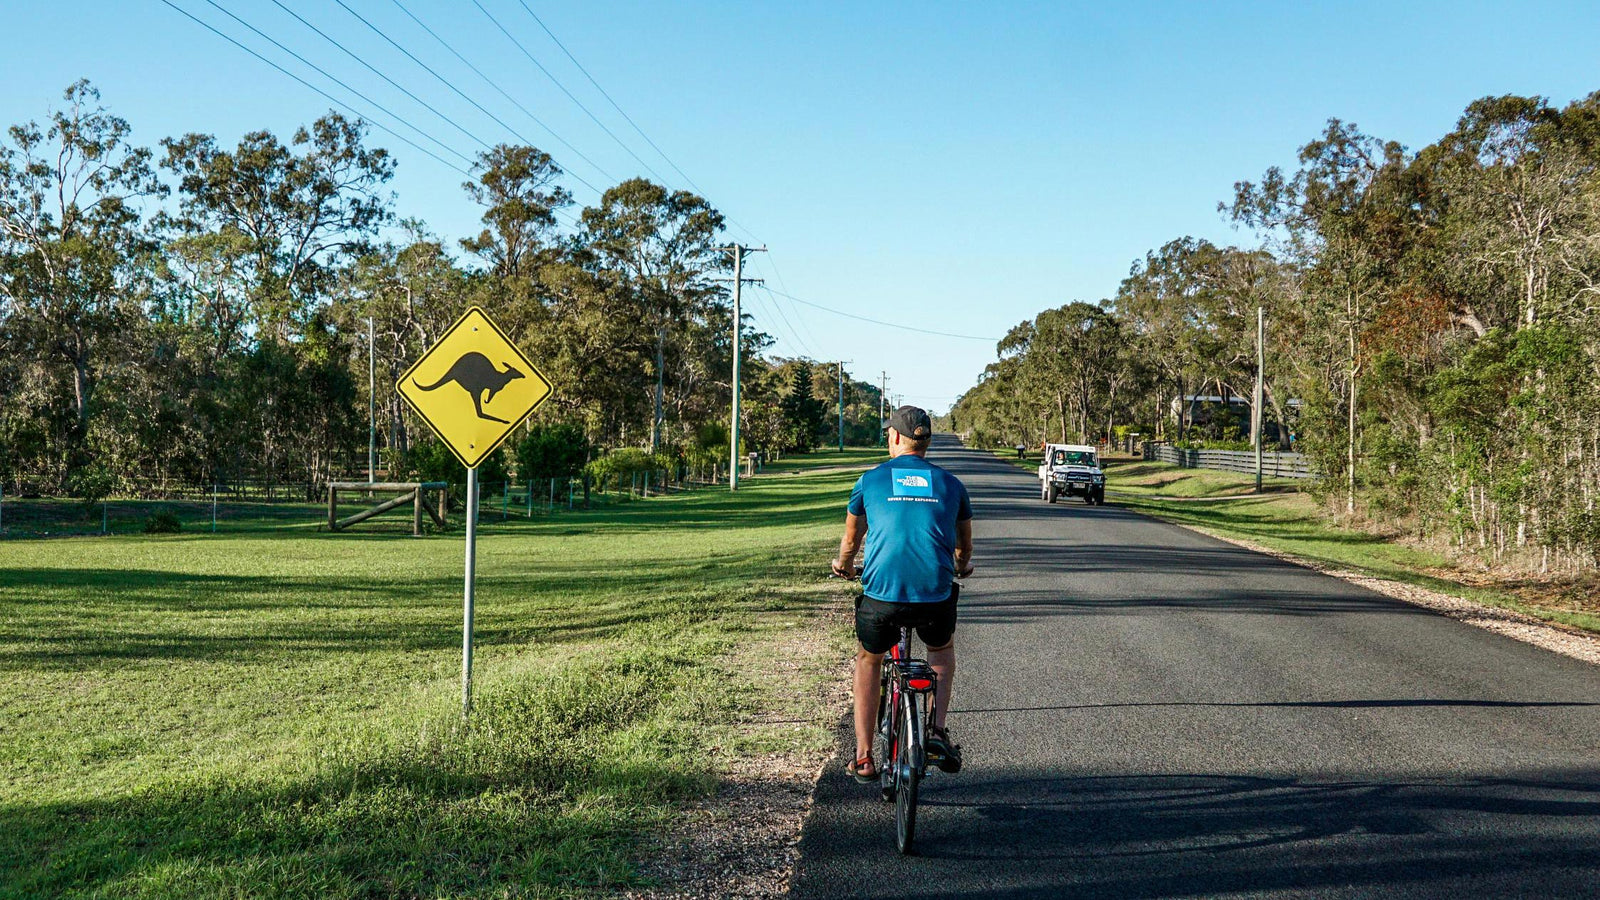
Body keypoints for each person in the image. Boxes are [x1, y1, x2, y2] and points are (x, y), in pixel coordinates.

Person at [831, 405, 974, 782]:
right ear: (925, 443)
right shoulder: (951, 485)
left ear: (894, 437)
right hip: (935, 597)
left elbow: (850, 540)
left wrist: (844, 565)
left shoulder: (871, 480)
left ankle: (863, 756)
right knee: (940, 650)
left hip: (883, 598)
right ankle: (937, 731)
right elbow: (964, 548)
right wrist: (961, 568)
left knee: (869, 659)